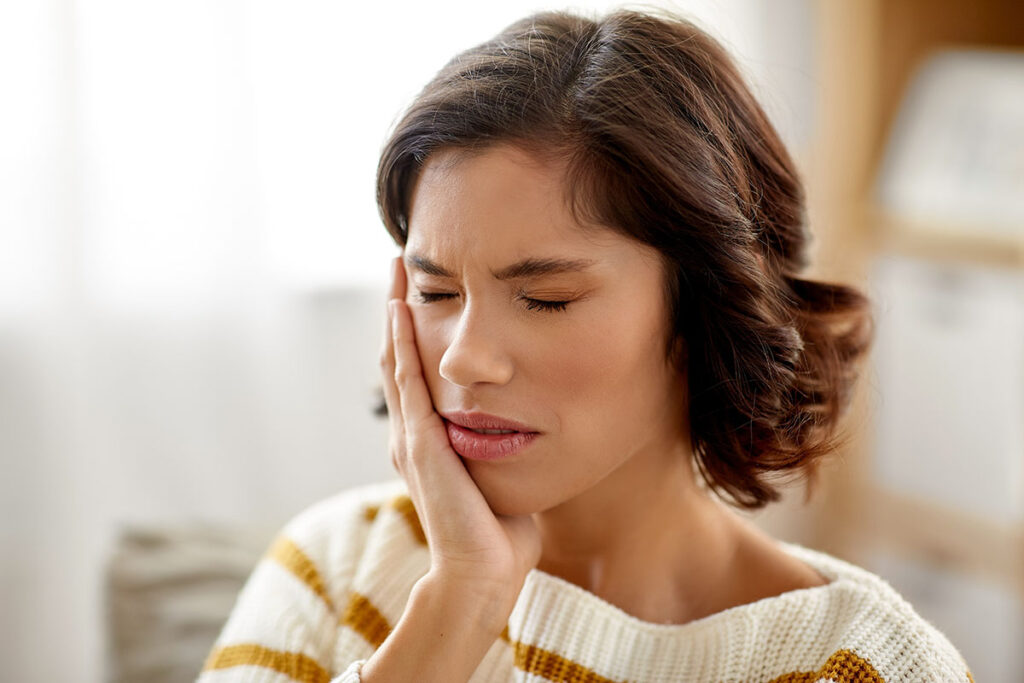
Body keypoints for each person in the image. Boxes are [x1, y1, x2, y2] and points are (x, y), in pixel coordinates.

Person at [198, 8, 974, 682]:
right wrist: (459, 604)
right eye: (436, 292)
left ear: (706, 306)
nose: (464, 358)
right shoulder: (335, 570)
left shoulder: (861, 661)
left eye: (546, 298)